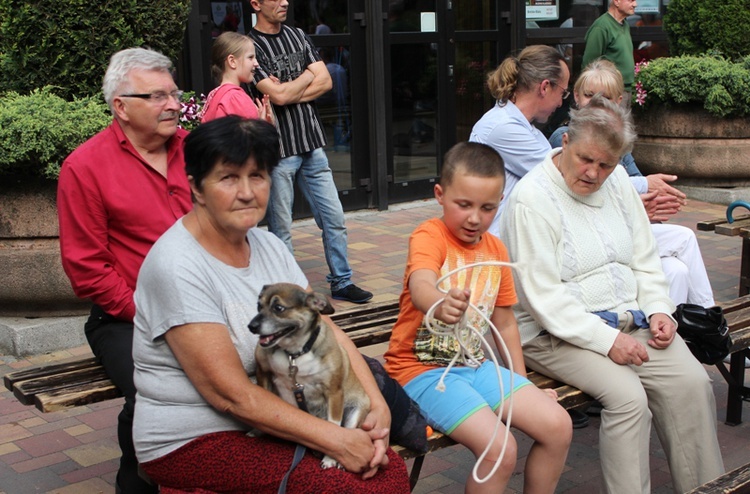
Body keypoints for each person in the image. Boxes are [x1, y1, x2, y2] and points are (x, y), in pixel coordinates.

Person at [132, 116, 410, 492]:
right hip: (194, 438)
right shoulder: (177, 265)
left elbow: (323, 329)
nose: (247, 192)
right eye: (228, 177)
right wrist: (338, 440)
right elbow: (231, 396)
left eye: (258, 175)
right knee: (356, 487)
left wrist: (377, 407)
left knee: (386, 470)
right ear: (197, 188)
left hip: (272, 416)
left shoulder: (268, 245)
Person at [498, 95, 725, 493]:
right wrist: (608, 341)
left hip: (628, 318)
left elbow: (645, 257)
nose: (593, 173)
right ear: (565, 141)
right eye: (586, 159)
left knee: (692, 383)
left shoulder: (617, 181)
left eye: (606, 164)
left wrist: (659, 310)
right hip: (554, 333)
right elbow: (543, 299)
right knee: (628, 400)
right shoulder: (532, 199)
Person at [384, 142, 572, 493]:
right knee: (500, 449)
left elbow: (505, 323)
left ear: (500, 202)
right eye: (464, 205)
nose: (474, 218)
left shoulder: (495, 249)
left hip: (474, 366)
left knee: (558, 426)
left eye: (487, 208)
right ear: (440, 195)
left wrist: (522, 383)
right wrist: (439, 303)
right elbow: (421, 282)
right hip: (421, 373)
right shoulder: (429, 236)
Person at [57, 47, 193, 494]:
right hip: (126, 317)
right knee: (156, 392)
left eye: (173, 94)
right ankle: (136, 483)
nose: (173, 104)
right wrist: (155, 317)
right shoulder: (85, 167)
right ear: (122, 106)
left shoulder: (195, 150)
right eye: (157, 96)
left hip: (205, 305)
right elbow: (87, 269)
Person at [549, 59, 715, 309]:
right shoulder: (566, 138)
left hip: (623, 227)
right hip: (593, 238)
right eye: (589, 95)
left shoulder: (616, 139)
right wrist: (641, 194)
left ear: (617, 101)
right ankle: (712, 327)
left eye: (604, 97)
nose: (596, 103)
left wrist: (648, 200)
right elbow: (591, 194)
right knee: (684, 238)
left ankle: (679, 333)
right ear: (576, 96)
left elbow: (635, 184)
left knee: (677, 270)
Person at [248, 0, 373, 304]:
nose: (285, 2)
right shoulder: (249, 46)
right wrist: (306, 75)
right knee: (281, 228)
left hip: (313, 144)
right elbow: (275, 96)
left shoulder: (298, 35)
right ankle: (290, 293)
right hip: (279, 150)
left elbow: (326, 81)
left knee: (334, 218)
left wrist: (288, 90)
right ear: (256, 4)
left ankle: (342, 281)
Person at [469, 45, 570, 237]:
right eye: (562, 93)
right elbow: (566, 176)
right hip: (496, 251)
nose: (560, 103)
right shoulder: (503, 127)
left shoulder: (524, 127)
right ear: (545, 87)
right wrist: (641, 185)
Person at [200, 31, 273, 124]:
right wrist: (265, 125)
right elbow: (254, 137)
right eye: (250, 57)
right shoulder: (236, 98)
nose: (256, 63)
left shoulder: (214, 95)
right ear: (232, 61)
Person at [582, 0, 637, 99]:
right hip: (609, 93)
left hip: (626, 90)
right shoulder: (601, 27)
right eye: (631, 1)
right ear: (616, 2)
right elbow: (589, 64)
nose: (635, 4)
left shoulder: (625, 24)